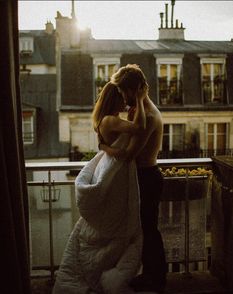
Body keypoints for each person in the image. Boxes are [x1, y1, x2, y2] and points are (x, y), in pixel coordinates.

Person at [53, 79, 148, 294]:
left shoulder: (104, 120)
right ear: (114, 99)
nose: (125, 100)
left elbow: (104, 144)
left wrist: (107, 147)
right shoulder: (111, 121)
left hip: (111, 168)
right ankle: (103, 273)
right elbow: (140, 128)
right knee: (117, 224)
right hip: (115, 175)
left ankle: (106, 268)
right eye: (122, 98)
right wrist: (141, 100)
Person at [105, 64, 167, 293]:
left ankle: (157, 279)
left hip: (147, 178)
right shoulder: (140, 111)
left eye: (123, 91)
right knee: (144, 230)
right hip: (142, 176)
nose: (122, 96)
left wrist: (104, 146)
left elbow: (130, 153)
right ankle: (149, 275)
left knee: (150, 230)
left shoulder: (149, 116)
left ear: (134, 90)